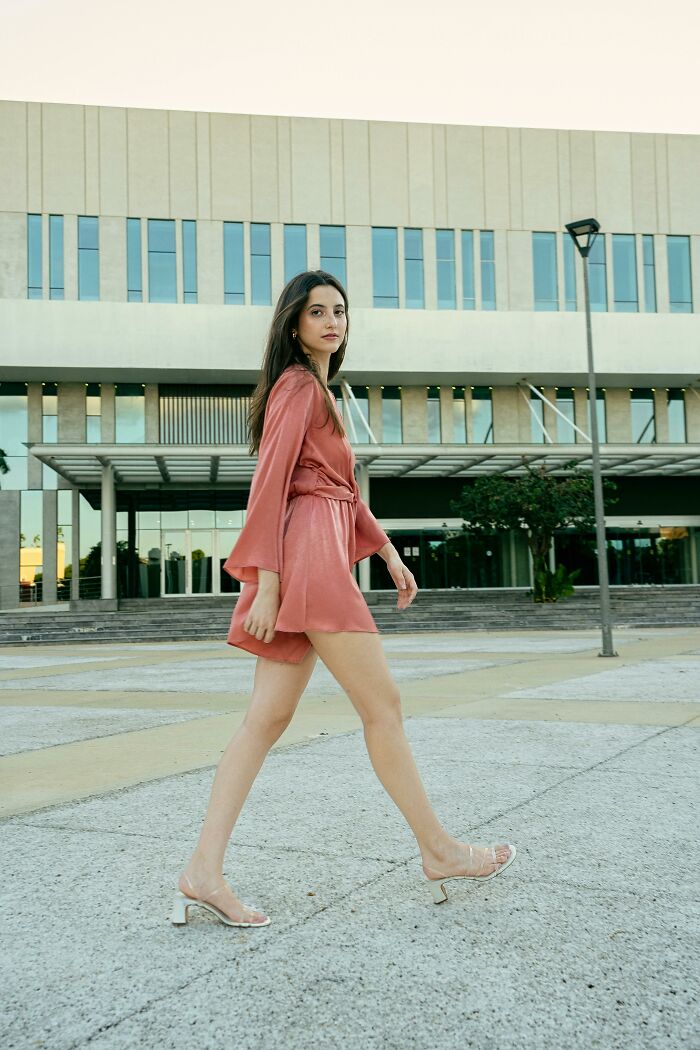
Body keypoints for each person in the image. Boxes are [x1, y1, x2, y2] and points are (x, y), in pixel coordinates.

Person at [171, 271, 516, 929]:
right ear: (294, 324)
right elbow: (271, 483)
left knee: (264, 720)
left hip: (317, 553)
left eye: (340, 311)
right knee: (383, 707)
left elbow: (342, 489)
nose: (333, 321)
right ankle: (440, 851)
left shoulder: (316, 391)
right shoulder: (299, 387)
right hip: (307, 562)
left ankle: (202, 871)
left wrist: (386, 551)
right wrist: (269, 585)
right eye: (318, 312)